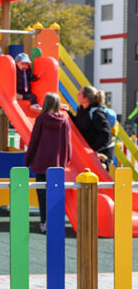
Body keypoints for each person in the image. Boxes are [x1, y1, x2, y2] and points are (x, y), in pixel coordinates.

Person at [24, 92, 72, 233]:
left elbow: (34, 141)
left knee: (42, 195)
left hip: (41, 163)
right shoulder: (64, 120)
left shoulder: (41, 119)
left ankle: (44, 222)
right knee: (56, 194)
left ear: (46, 104)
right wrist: (66, 160)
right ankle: (56, 222)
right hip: (57, 165)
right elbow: (67, 143)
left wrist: (28, 160)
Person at [69, 85, 114, 170]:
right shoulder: (81, 109)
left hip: (102, 150)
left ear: (86, 98)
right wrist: (67, 112)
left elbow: (106, 133)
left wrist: (93, 150)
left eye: (80, 93)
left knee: (98, 178)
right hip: (91, 150)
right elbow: (78, 124)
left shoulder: (96, 113)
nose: (77, 94)